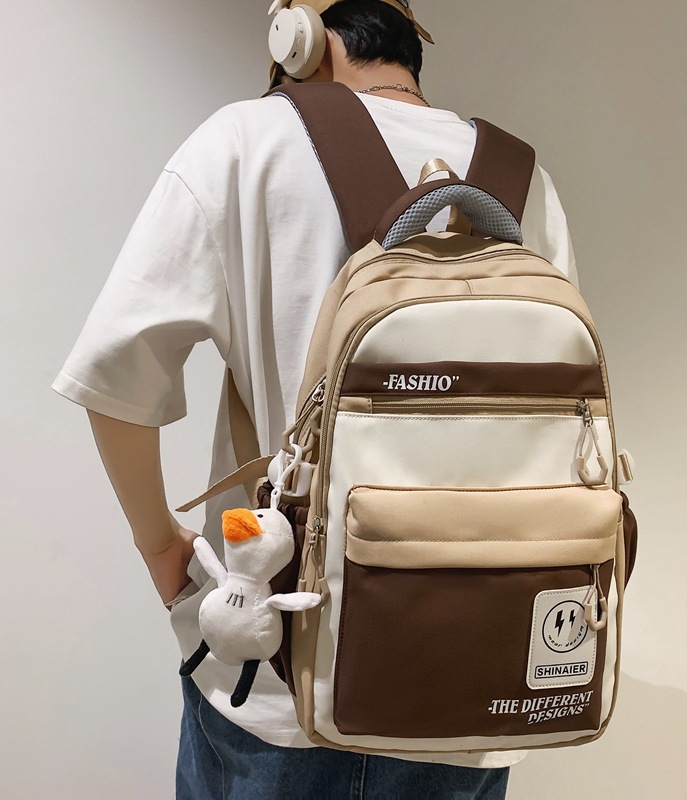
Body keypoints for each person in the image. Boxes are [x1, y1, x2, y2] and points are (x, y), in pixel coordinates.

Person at [53, 1, 578, 797]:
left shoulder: (247, 141)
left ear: (295, 35)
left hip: (281, 678)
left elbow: (114, 371)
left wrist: (161, 548)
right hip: (480, 684)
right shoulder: (523, 180)